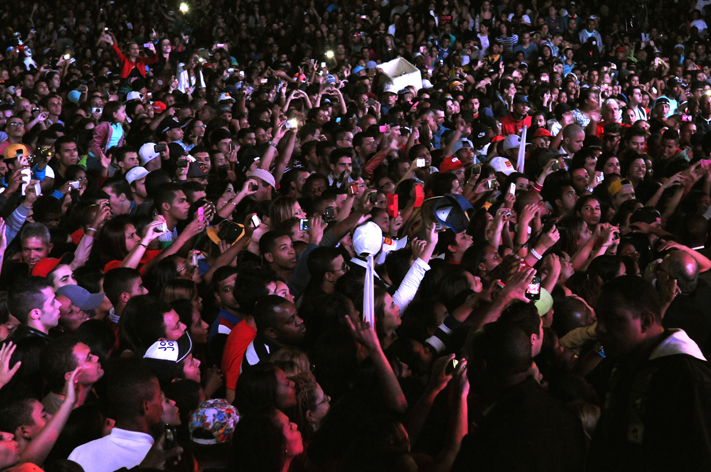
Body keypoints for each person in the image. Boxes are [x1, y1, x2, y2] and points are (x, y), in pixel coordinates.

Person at [591, 276, 711, 471]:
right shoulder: (622, 359)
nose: (599, 328)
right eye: (598, 318)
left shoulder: (687, 377)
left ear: (646, 321)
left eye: (612, 319)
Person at [67, 360, 168, 472]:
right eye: (159, 397)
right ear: (146, 407)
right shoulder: (160, 460)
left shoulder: (79, 454)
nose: (161, 401)